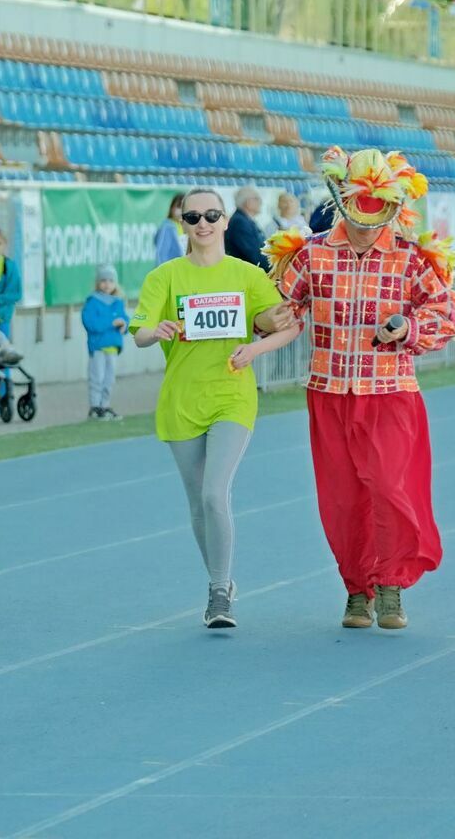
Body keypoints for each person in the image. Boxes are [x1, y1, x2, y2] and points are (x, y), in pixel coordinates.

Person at [259, 146, 455, 631]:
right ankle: (357, 589)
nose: (369, 228)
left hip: (389, 392)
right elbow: (283, 308)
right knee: (342, 497)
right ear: (341, 201)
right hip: (327, 390)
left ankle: (390, 586)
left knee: (392, 489)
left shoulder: (411, 258)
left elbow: (446, 314)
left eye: (377, 220)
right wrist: (261, 321)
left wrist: (407, 330)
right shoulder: (310, 254)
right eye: (360, 218)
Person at [130, 188, 298, 629]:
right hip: (182, 401)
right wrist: (157, 330)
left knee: (213, 492)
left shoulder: (247, 275)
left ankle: (219, 592)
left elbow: (285, 325)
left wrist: (255, 349)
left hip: (232, 396)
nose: (202, 223)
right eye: (192, 216)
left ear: (225, 221)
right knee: (196, 504)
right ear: (182, 223)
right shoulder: (164, 277)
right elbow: (140, 332)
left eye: (210, 215)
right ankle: (219, 578)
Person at [81, 264, 128, 420]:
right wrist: (112, 322)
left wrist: (124, 325)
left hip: (113, 347)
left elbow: (124, 319)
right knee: (97, 378)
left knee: (109, 379)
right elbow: (91, 324)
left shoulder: (118, 302)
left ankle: (105, 405)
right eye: (103, 280)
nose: (107, 284)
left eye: (111, 280)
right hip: (98, 347)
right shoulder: (92, 301)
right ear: (98, 283)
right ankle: (95, 406)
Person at [224, 185, 270, 270]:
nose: (260, 202)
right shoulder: (240, 222)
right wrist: (275, 269)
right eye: (257, 198)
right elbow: (254, 256)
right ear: (248, 202)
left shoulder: (245, 220)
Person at [154, 193, 186, 266]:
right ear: (172, 208)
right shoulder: (167, 227)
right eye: (178, 207)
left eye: (184, 208)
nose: (181, 210)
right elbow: (161, 253)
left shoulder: (185, 226)